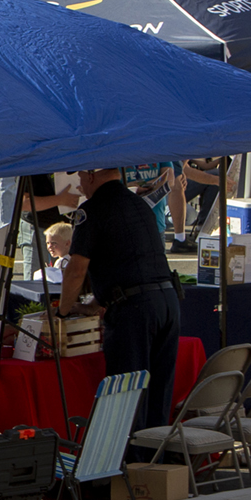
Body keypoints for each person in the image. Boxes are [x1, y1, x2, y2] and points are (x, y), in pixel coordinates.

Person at [57, 166, 181, 430]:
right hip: (166, 300)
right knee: (158, 390)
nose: (79, 183)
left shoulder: (92, 210)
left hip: (134, 310)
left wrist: (63, 311)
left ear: (91, 175)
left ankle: (130, 462)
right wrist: (93, 303)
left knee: (127, 393)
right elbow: (133, 258)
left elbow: (76, 270)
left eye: (80, 176)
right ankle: (153, 462)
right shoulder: (140, 204)